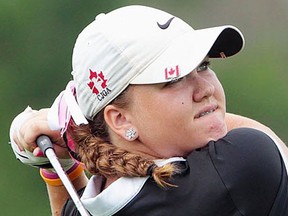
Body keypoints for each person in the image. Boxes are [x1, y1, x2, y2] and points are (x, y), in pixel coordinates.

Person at [9, 5, 288, 216]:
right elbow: (267, 144)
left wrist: (60, 166)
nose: (205, 88)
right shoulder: (240, 165)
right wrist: (69, 131)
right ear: (119, 119)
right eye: (173, 79)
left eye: (203, 66)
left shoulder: (95, 205)